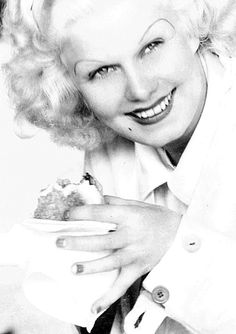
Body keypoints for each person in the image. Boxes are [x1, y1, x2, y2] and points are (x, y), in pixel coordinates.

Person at [2, 0, 236, 333]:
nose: (140, 90)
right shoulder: (114, 142)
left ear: (192, 28)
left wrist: (175, 247)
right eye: (102, 71)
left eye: (152, 46)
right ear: (71, 87)